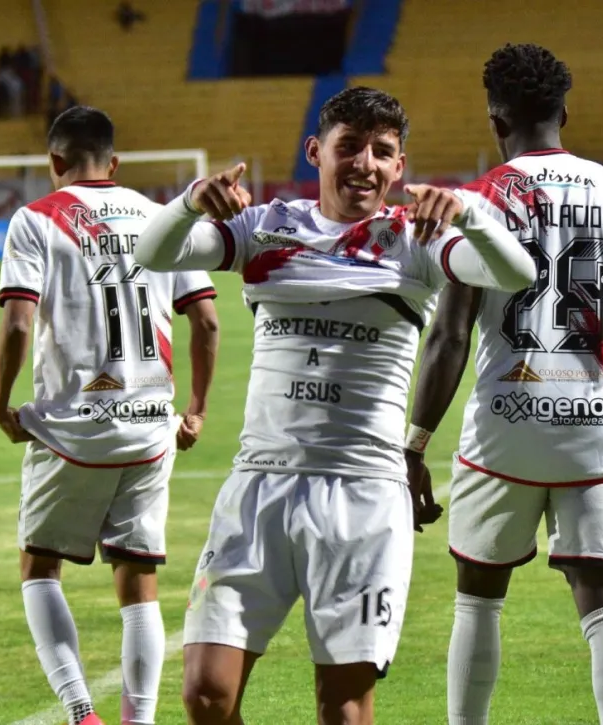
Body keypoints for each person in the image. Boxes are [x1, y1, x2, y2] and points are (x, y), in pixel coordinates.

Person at [132, 86, 536, 725]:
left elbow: (517, 274)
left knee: (343, 708)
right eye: (349, 147)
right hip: (259, 486)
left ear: (399, 166)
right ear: (316, 152)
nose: (364, 164)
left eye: (382, 151)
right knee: (206, 695)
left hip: (362, 495)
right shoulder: (265, 226)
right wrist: (189, 203)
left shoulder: (416, 239)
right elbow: (152, 253)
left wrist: (469, 215)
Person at [405, 43, 603, 725]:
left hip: (504, 426)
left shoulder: (475, 201)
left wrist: (415, 444)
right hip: (596, 425)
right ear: (564, 114)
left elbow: (449, 335)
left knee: (477, 598)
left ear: (496, 120)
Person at [0, 105, 220, 725]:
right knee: (138, 581)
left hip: (72, 430)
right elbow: (206, 321)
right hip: (151, 428)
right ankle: (137, 720)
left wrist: (1, 403)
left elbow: (18, 323)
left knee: (40, 566)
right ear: (115, 162)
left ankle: (80, 712)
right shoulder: (161, 218)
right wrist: (196, 409)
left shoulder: (36, 219)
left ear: (55, 160)